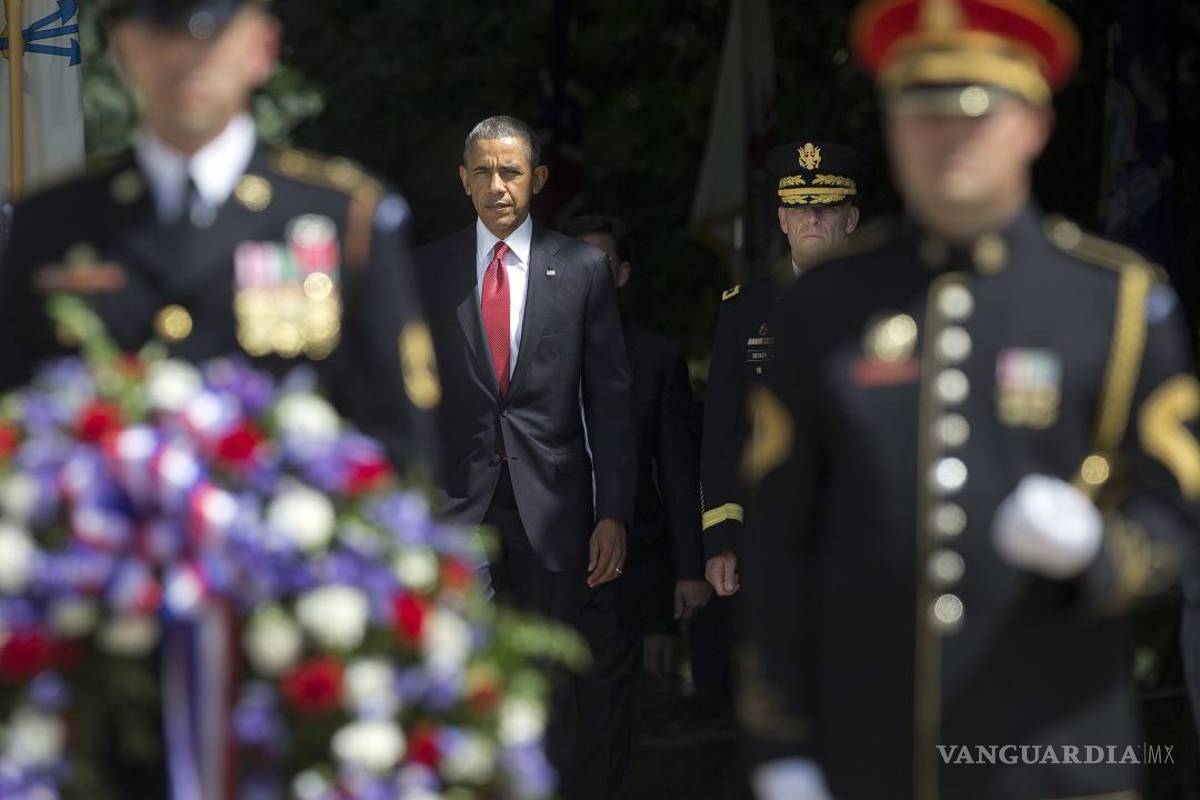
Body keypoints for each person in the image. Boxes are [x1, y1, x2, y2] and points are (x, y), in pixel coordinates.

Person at [740, 1, 1200, 799]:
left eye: (977, 111)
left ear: (1034, 123)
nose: (948, 136)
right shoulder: (823, 309)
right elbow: (781, 547)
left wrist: (1099, 553)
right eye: (921, 112)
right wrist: (780, 747)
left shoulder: (1116, 301)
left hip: (1056, 758)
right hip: (866, 757)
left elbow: (1178, 511)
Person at [0, 0, 440, 475]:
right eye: (163, 31)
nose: (189, 54)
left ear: (263, 47)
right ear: (125, 50)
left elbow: (401, 454)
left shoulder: (344, 218)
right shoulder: (50, 222)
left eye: (213, 31)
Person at [414, 116, 636, 790]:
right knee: (460, 669)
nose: (496, 185)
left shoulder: (582, 268)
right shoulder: (427, 269)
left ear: (536, 179)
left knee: (550, 682)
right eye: (482, 170)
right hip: (458, 505)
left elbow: (611, 402)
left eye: (510, 171)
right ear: (463, 178)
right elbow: (410, 397)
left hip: (555, 508)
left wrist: (614, 512)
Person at [562, 214, 711, 798]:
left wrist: (690, 568)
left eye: (600, 264)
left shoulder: (656, 357)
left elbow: (676, 470)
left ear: (621, 275)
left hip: (623, 566)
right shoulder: (525, 346)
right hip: (536, 555)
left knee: (606, 709)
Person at [700, 139, 867, 597]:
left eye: (828, 208)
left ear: (850, 220)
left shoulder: (884, 306)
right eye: (799, 208)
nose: (813, 219)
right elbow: (723, 431)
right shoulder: (743, 310)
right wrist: (721, 537)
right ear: (783, 219)